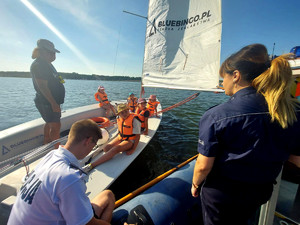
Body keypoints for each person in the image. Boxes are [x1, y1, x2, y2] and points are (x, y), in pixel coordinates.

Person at [191, 44, 300, 225]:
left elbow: (203, 166)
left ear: (235, 75)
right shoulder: (291, 111)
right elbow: (296, 158)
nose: (222, 83)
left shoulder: (215, 115)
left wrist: (195, 184)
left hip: (223, 197)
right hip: (260, 192)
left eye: (223, 78)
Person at [7, 119, 116, 225]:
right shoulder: (69, 177)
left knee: (108, 195)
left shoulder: (51, 156)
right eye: (94, 144)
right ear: (88, 141)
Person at [84, 104, 141, 170]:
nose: (125, 113)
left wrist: (133, 149)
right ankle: (112, 153)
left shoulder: (134, 120)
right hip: (121, 137)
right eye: (122, 112)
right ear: (119, 114)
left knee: (115, 149)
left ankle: (92, 165)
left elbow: (137, 136)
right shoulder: (118, 118)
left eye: (126, 111)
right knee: (106, 148)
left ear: (128, 110)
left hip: (130, 140)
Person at [30, 39, 65, 147]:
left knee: (50, 122)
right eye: (50, 52)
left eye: (54, 52)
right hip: (47, 102)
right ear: (41, 51)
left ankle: (46, 142)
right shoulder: (39, 64)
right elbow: (42, 86)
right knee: (56, 127)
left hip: (51, 101)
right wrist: (53, 103)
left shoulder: (47, 64)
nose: (53, 55)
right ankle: (57, 150)